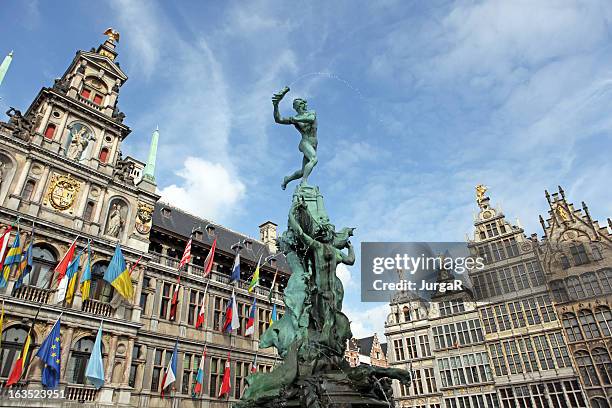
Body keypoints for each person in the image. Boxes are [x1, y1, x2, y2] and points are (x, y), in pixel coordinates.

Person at [272, 87, 318, 190]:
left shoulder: (311, 113)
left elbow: (310, 119)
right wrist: (276, 105)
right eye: (295, 105)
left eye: (297, 104)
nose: (296, 106)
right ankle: (304, 183)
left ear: (302, 104)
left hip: (313, 144)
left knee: (303, 171)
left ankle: (287, 179)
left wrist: (295, 119)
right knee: (314, 159)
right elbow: (278, 119)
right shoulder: (295, 119)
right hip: (305, 142)